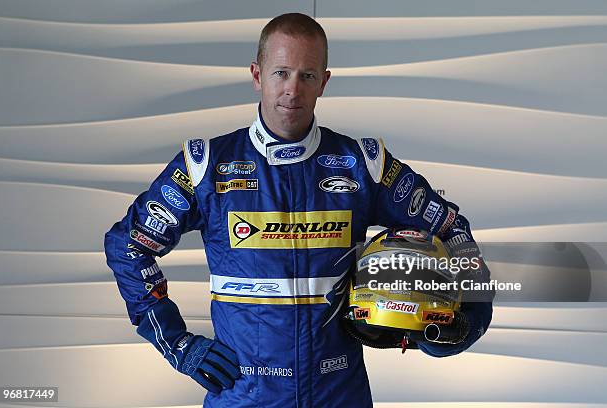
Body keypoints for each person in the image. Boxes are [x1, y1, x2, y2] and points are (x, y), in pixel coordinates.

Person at [104, 13, 493, 408]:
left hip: (339, 394)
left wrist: (467, 320)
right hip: (244, 396)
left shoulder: (363, 164)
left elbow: (452, 231)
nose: (292, 89)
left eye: (307, 75)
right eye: (281, 72)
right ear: (257, 75)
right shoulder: (205, 166)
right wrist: (179, 345)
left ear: (324, 82)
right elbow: (128, 246)